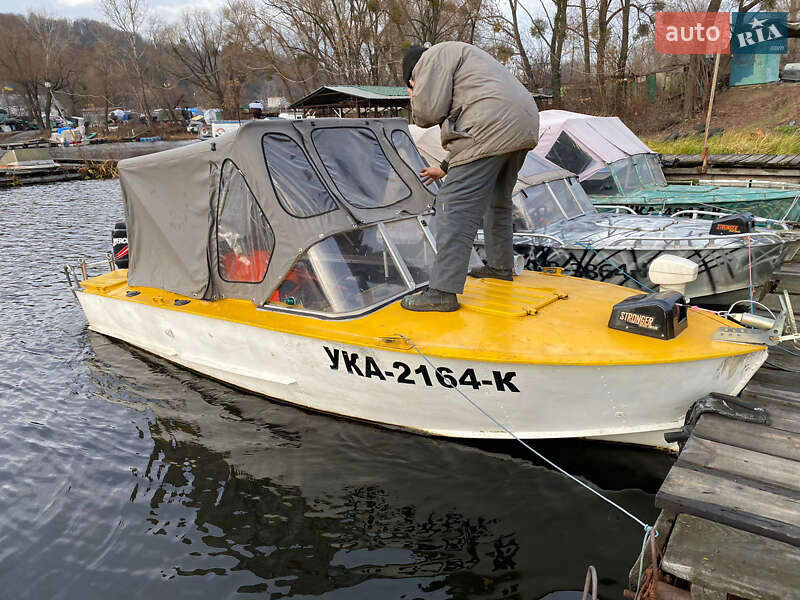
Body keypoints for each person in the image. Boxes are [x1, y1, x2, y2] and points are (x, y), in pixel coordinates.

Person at [399, 42, 539, 312]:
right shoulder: (460, 54)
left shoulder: (428, 61)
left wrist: (413, 92)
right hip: (523, 124)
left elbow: (427, 114)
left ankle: (442, 291)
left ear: (412, 73)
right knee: (497, 201)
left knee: (452, 206)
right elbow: (473, 132)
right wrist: (445, 166)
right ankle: (500, 266)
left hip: (491, 125)